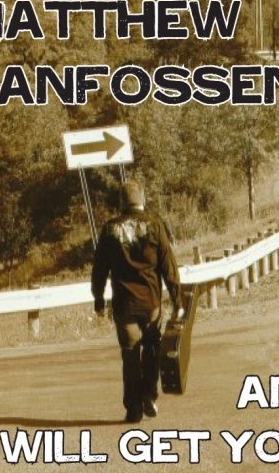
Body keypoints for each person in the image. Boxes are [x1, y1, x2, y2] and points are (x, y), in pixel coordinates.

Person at [91, 180, 183, 423]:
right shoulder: (155, 225)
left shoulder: (110, 229)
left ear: (121, 201)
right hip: (151, 303)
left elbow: (99, 268)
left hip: (124, 306)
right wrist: (178, 300)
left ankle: (133, 409)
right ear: (143, 199)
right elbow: (169, 266)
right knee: (152, 348)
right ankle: (149, 395)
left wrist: (98, 298)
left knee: (130, 354)